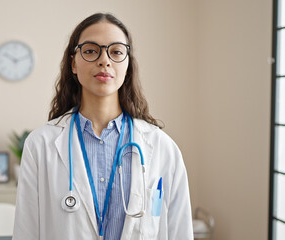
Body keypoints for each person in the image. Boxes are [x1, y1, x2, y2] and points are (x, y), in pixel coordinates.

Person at [13, 13, 193, 240]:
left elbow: (180, 232)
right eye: (90, 50)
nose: (104, 60)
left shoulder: (162, 147)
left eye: (116, 51)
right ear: (73, 64)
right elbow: (26, 232)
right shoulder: (40, 145)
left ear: (127, 64)